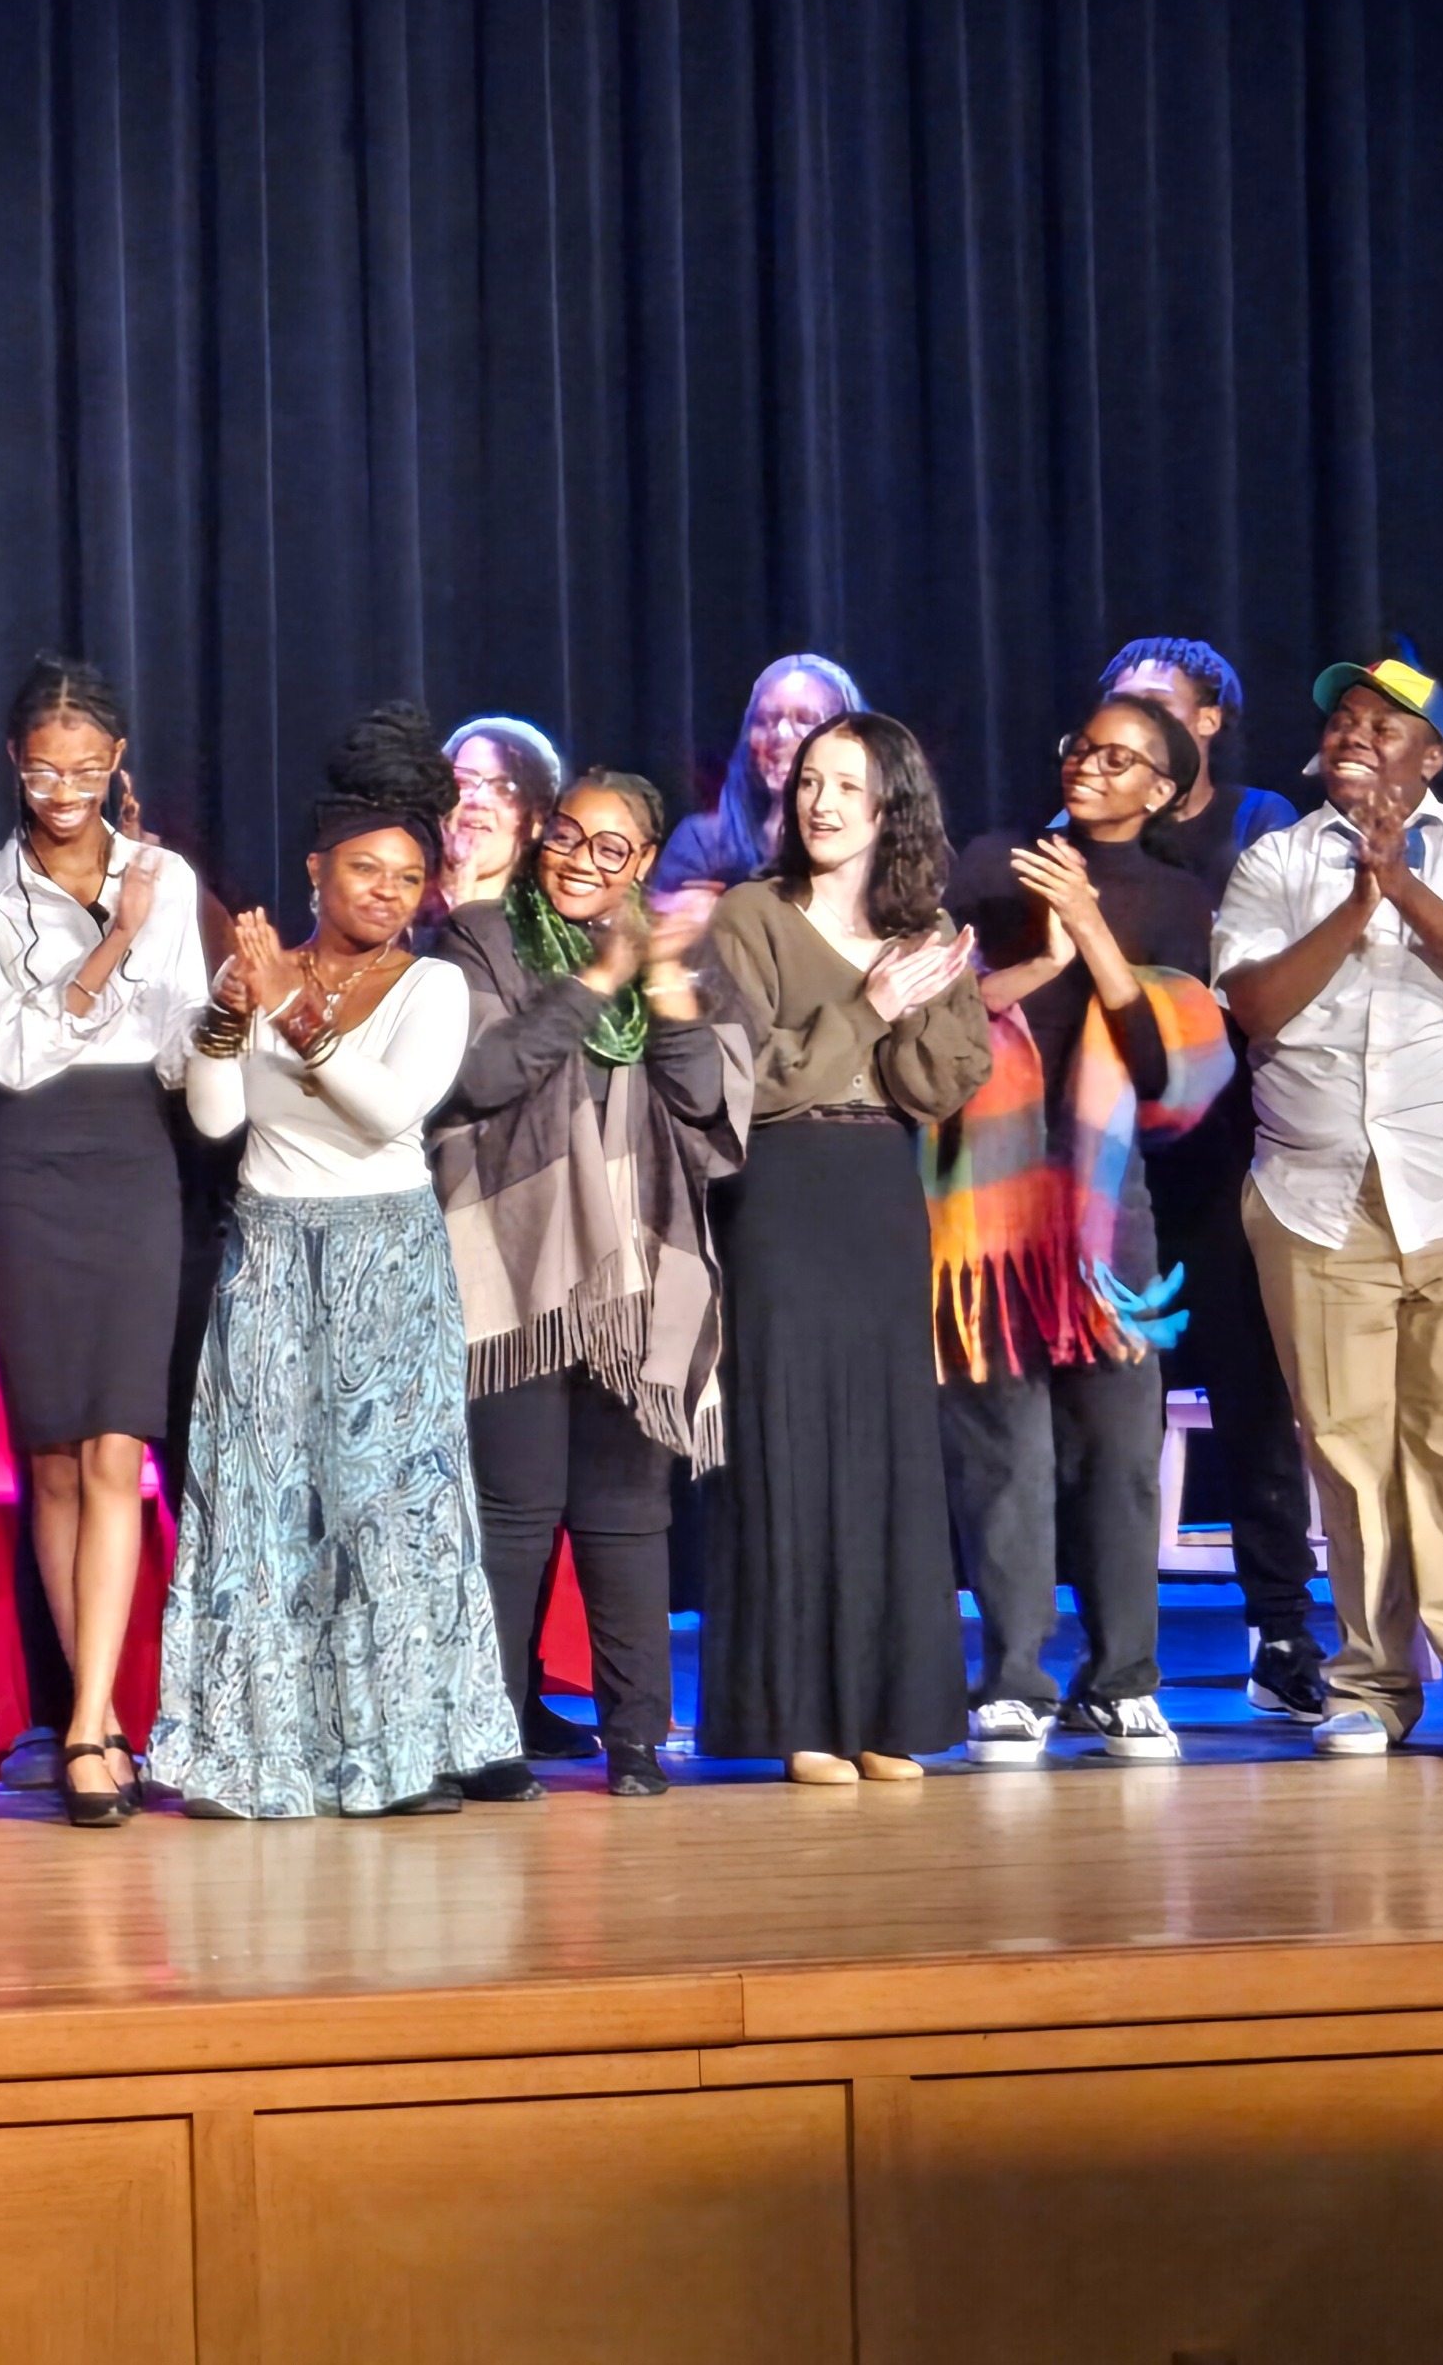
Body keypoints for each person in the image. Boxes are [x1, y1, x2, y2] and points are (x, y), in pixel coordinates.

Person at [151, 704, 507, 1819]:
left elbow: (384, 1109)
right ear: (316, 869)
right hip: (268, 1247)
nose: (388, 892)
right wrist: (226, 1010)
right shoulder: (262, 977)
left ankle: (396, 1754)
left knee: (383, 1507)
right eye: (366, 869)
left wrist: (297, 1016)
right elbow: (213, 1117)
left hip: (382, 1253)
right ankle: (242, 1753)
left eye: (407, 877)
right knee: (257, 1500)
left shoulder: (433, 987)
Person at [433, 771, 750, 1801]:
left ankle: (637, 1740)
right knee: (513, 1513)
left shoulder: (683, 958)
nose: (579, 859)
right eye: (567, 836)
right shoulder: (483, 938)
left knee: (625, 1513)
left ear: (647, 862)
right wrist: (595, 980)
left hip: (639, 1268)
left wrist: (657, 987)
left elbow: (707, 1097)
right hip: (516, 1268)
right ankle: (484, 1732)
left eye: (610, 849)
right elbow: (480, 1075)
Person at [929, 698, 1232, 1767]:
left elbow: (1173, 1078)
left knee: (1117, 1453)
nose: (1091, 766)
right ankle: (1011, 1678)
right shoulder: (987, 862)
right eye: (1081, 748)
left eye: (1120, 758)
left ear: (1162, 788)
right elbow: (936, 1014)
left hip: (1109, 1216)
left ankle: (1120, 1682)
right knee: (1000, 1453)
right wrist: (1038, 950)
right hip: (990, 1208)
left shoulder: (1176, 896)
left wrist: (1091, 931)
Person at [0, 657, 213, 1825]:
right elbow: (6, 1055)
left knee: (117, 1451)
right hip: (28, 1162)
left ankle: (95, 1719)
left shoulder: (169, 876)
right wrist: (112, 943)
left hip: (136, 1159)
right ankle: (80, 1717)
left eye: (86, 767)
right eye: (44, 765)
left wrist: (226, 1012)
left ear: (118, 765)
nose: (63, 787)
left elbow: (183, 1041)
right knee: (52, 1451)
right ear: (12, 760)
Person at [699, 713, 990, 1782]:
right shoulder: (749, 916)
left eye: (845, 785)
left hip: (877, 1192)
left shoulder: (928, 932)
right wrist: (864, 1007)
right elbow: (743, 1078)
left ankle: (885, 1708)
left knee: (883, 1443)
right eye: (808, 781)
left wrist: (908, 998)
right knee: (789, 1436)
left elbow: (942, 1082)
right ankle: (797, 1715)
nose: (818, 801)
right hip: (783, 1191)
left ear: (890, 807)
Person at [1217, 650, 1443, 1759]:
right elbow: (1255, 1004)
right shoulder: (1276, 860)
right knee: (1346, 1444)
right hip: (1315, 1197)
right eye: (1340, 722)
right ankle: (1371, 1684)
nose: (1353, 736)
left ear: (1434, 752)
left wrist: (1406, 886)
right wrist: (1359, 896)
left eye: (1383, 724)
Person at [1104, 635, 1326, 1716]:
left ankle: (1282, 1628)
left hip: (1229, 1148)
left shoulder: (1252, 825)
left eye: (1150, 705)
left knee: (1251, 1398)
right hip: (1117, 1160)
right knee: (1111, 1403)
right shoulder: (1087, 830)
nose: (1123, 726)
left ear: (1203, 722)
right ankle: (1110, 1650)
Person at [1107, 636, 1302, 903]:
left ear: (1209, 720)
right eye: (1121, 704)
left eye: (1156, 705)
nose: (1132, 718)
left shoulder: (1258, 816)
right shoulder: (1090, 813)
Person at [655, 655, 866, 894]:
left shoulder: (873, 838)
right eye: (765, 721)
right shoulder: (703, 841)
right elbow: (662, 923)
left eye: (805, 720)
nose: (780, 735)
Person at [440, 717, 565, 925]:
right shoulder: (393, 908)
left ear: (537, 818)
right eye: (463, 781)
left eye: (504, 789)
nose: (479, 800)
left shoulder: (548, 933)